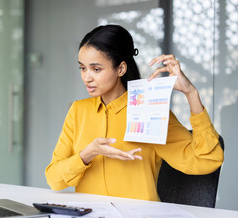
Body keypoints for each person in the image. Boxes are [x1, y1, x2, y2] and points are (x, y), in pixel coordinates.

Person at [45, 25, 224, 201]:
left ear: (121, 69)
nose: (87, 77)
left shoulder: (150, 109)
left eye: (96, 69)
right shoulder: (78, 111)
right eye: (82, 68)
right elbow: (54, 179)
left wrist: (190, 93)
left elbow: (206, 160)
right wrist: (88, 153)